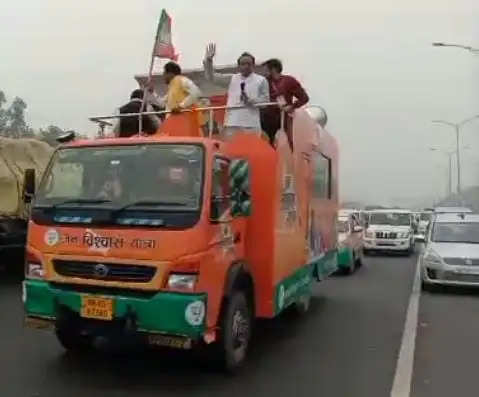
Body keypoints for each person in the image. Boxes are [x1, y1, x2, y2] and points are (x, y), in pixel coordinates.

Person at [203, 43, 270, 139]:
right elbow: (211, 78)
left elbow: (265, 102)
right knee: (231, 152)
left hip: (251, 124)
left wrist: (251, 101)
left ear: (253, 65)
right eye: (243, 64)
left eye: (249, 64)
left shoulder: (261, 80)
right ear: (239, 66)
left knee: (251, 152)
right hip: (232, 123)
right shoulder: (232, 78)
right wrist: (209, 61)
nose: (246, 66)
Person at [261, 58, 309, 145]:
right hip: (267, 118)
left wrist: (292, 106)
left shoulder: (289, 81)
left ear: (274, 69)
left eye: (264, 69)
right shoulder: (263, 82)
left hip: (284, 117)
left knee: (288, 141)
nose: (262, 72)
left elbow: (304, 98)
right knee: (267, 142)